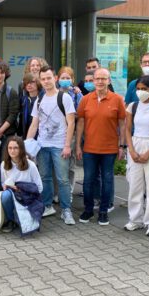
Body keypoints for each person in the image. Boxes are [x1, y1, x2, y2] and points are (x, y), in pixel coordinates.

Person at [76, 67, 126, 226]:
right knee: (88, 180)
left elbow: (122, 124)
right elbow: (81, 124)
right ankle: (88, 209)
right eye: (97, 78)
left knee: (107, 180)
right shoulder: (85, 99)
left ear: (109, 81)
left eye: (103, 78)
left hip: (109, 149)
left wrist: (122, 146)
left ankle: (103, 211)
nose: (99, 81)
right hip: (89, 148)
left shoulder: (117, 99)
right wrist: (77, 145)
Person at [27, 65, 77, 224]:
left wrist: (67, 145)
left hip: (59, 146)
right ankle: (47, 205)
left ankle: (66, 210)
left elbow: (71, 123)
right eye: (43, 79)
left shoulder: (65, 98)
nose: (46, 81)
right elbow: (34, 124)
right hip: (42, 146)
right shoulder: (39, 100)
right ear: (40, 81)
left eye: (49, 78)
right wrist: (28, 146)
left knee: (62, 179)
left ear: (55, 78)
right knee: (44, 178)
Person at [124, 76, 149, 237]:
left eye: (144, 89)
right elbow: (127, 129)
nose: (141, 92)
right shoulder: (132, 106)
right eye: (138, 89)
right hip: (135, 144)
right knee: (135, 185)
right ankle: (135, 219)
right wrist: (131, 150)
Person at [0, 137, 43, 233]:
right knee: (5, 195)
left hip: (27, 196)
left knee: (29, 224)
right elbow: (3, 182)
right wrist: (6, 186)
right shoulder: (3, 164)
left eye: (15, 148)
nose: (12, 151)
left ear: (21, 149)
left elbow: (40, 187)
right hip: (13, 195)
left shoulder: (30, 165)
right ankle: (11, 220)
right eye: (10, 148)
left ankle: (23, 216)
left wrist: (25, 191)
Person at [56, 66, 82, 199]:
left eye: (68, 78)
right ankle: (57, 192)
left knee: (70, 163)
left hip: (71, 133)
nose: (65, 80)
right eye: (63, 78)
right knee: (57, 163)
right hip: (56, 133)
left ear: (72, 79)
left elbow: (81, 113)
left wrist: (71, 115)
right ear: (58, 79)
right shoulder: (53, 92)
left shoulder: (77, 94)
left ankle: (69, 191)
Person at [18, 73, 43, 137]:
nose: (29, 85)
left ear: (38, 83)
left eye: (32, 82)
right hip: (26, 135)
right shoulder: (23, 99)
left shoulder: (43, 99)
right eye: (26, 82)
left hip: (41, 135)